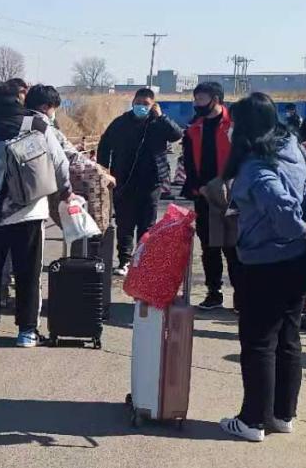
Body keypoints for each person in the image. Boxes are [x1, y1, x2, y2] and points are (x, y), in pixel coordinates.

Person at [219, 93, 306, 443]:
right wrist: (302, 233)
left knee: (259, 342)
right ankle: (282, 414)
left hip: (267, 262)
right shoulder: (293, 147)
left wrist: (296, 228)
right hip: (300, 261)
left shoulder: (257, 165)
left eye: (233, 124)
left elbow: (279, 203)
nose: (230, 130)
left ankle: (252, 421)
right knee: (288, 338)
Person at [0, 80, 70, 347]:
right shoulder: (36, 126)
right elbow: (60, 164)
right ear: (19, 99)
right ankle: (27, 332)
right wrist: (65, 191)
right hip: (28, 213)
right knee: (28, 273)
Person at [96, 88, 184, 276]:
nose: (141, 107)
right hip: (124, 181)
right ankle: (124, 261)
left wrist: (161, 117)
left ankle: (143, 261)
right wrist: (104, 171)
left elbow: (177, 135)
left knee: (147, 224)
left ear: (153, 105)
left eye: (146, 104)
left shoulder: (159, 123)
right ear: (133, 102)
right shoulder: (121, 123)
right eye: (138, 103)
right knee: (125, 223)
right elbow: (104, 145)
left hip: (152, 182)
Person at [181, 82, 240, 311]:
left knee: (232, 247)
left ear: (215, 99)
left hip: (231, 195)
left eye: (201, 99)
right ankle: (213, 293)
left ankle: (240, 294)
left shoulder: (234, 125)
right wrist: (199, 188)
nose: (197, 104)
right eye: (195, 99)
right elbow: (188, 162)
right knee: (208, 246)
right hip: (204, 195)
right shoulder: (194, 128)